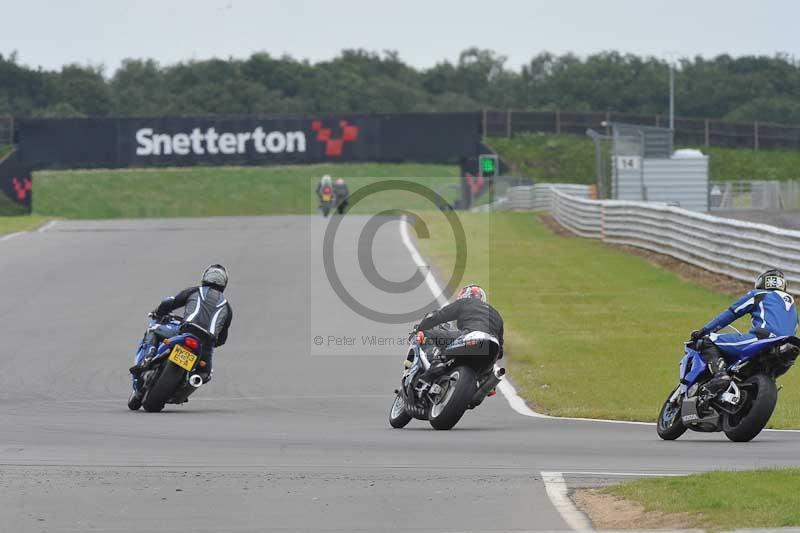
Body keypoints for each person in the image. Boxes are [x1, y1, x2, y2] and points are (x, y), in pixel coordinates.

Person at [129, 264, 233, 404]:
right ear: (224, 284)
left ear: (204, 277)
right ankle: (184, 389)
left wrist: (158, 313)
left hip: (186, 331)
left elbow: (170, 303)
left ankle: (147, 359)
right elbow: (222, 339)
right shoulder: (227, 307)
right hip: (206, 344)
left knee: (153, 331)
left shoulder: (195, 291)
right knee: (205, 374)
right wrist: (214, 343)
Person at [690, 268, 798, 394]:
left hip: (762, 338)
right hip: (788, 352)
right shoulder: (793, 308)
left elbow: (732, 312)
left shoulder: (759, 294)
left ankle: (720, 376)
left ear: (762, 283)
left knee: (708, 341)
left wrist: (704, 331)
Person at [413, 284, 504, 373]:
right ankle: (489, 386)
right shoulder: (496, 314)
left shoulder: (464, 302)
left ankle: (435, 363)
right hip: (492, 346)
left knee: (427, 335)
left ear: (465, 295)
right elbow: (500, 351)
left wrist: (420, 329)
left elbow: (439, 316)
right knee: (490, 373)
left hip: (469, 336)